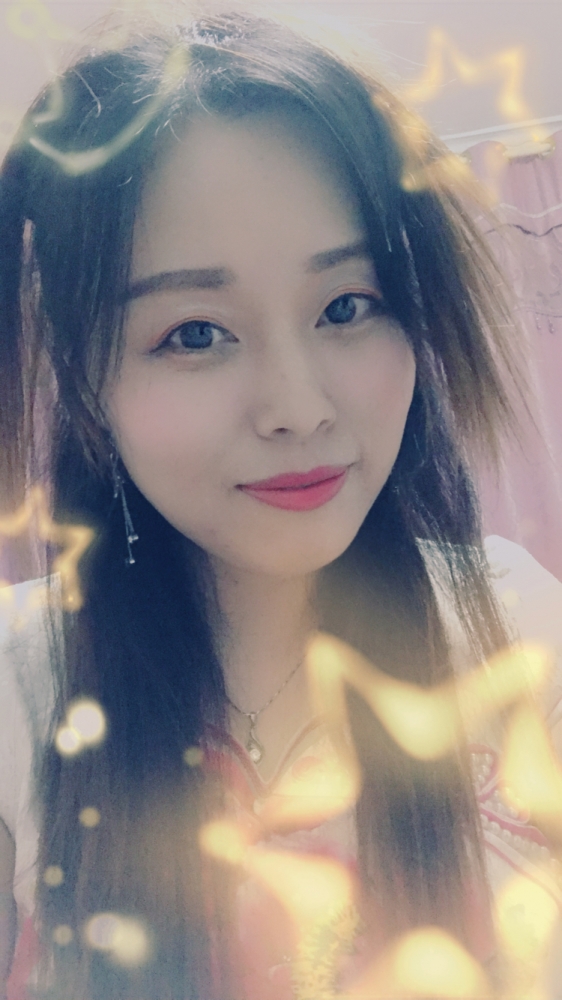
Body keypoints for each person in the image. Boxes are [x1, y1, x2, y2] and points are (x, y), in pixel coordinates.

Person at [0, 6, 561, 999]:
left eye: (347, 306)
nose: (299, 409)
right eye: (195, 333)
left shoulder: (517, 626)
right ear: (83, 380)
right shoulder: (21, 687)